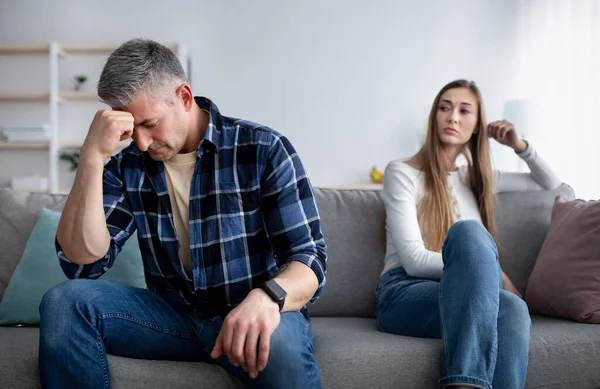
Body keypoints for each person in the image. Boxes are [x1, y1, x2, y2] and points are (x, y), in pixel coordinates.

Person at [38, 38, 326, 389]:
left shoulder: (262, 148)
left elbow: (309, 259)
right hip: (171, 319)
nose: (141, 143)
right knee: (64, 302)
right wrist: (91, 158)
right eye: (131, 131)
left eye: (150, 123)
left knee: (278, 343)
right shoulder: (124, 167)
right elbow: (82, 262)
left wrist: (268, 297)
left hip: (251, 310)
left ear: (185, 97)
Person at [377, 80, 561, 389]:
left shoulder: (476, 179)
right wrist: (495, 274)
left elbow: (552, 184)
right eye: (445, 107)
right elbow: (415, 262)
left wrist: (520, 145)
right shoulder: (401, 172)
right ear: (434, 116)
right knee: (468, 233)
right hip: (403, 292)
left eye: (465, 111)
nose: (452, 118)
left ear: (477, 125)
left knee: (513, 308)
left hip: (469, 292)